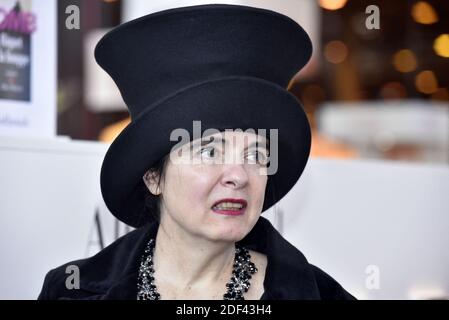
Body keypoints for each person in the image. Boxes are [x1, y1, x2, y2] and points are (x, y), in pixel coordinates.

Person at [38, 4, 355, 300]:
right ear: (153, 177)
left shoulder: (318, 294)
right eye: (209, 151)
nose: (238, 176)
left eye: (256, 155)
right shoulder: (74, 290)